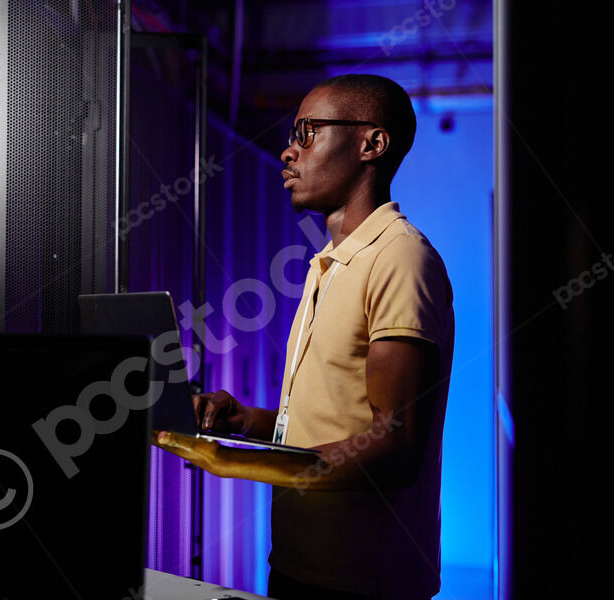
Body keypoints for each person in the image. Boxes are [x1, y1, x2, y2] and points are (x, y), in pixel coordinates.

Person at [151, 74, 455, 600]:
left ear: (372, 144)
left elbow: (396, 445)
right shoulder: (329, 264)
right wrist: (246, 422)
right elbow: (333, 420)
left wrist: (235, 461)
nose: (289, 151)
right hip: (298, 566)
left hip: (362, 584)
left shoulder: (400, 258)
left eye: (307, 132)